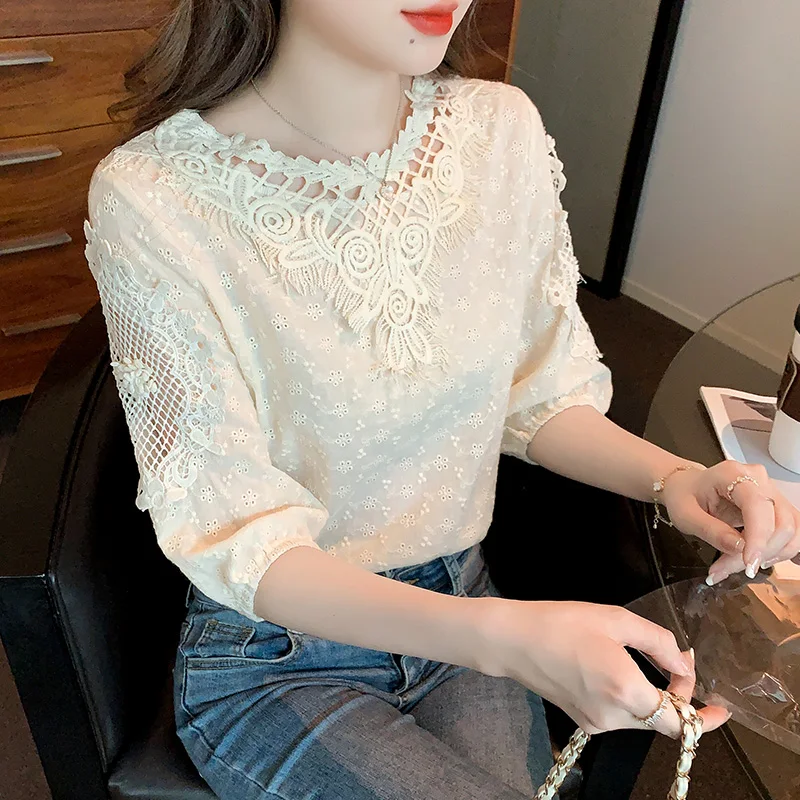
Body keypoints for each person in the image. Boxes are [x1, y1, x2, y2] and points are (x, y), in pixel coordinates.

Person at [84, 1, 800, 797]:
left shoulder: (498, 132)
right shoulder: (154, 195)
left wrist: (675, 479)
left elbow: (535, 393)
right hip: (278, 654)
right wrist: (507, 640)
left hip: (463, 593)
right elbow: (235, 536)